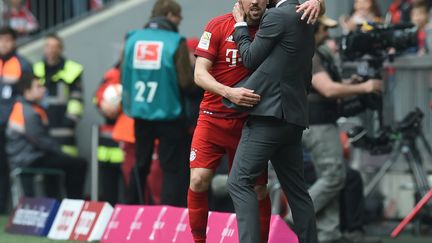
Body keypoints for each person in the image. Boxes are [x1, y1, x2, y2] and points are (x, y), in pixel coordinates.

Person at [226, 0, 319, 242]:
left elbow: (248, 58)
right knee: (298, 193)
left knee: (239, 182)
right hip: (294, 117)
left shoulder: (277, 16)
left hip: (269, 116)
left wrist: (240, 25)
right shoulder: (306, 16)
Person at [302, 16, 382, 243]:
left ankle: (329, 234)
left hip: (320, 123)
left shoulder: (316, 52)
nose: (327, 34)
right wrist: (365, 86)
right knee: (334, 178)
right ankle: (295, 218)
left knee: (332, 177)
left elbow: (322, 87)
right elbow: (327, 89)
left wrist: (352, 84)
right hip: (317, 125)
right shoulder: (309, 53)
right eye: (324, 29)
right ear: (313, 29)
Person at [122, 0, 194, 207]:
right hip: (169, 113)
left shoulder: (132, 39)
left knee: (140, 163)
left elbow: (124, 75)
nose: (179, 22)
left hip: (140, 111)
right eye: (179, 17)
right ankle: (169, 212)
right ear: (170, 14)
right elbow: (186, 82)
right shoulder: (175, 41)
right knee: (172, 167)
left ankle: (131, 208)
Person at [5, 72, 87, 199]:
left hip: (31, 156)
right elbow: (41, 141)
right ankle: (73, 203)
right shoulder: (27, 111)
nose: (43, 89)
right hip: (27, 159)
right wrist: (61, 152)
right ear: (27, 92)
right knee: (78, 164)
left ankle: (56, 203)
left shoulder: (29, 107)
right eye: (38, 86)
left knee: (56, 163)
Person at [33, 34, 84, 159]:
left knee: (67, 163)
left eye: (55, 47)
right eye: (48, 46)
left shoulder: (72, 69)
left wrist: (70, 120)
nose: (51, 50)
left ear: (61, 49)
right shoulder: (36, 69)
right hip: (41, 125)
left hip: (63, 126)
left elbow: (77, 98)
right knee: (45, 169)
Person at [0, 26, 32, 214]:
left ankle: (9, 208)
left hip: (12, 126)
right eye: (1, 39)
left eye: (7, 39)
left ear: (14, 41)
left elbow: (28, 94)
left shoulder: (22, 64)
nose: (4, 43)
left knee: (10, 166)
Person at [94, 59, 126, 206]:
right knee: (108, 184)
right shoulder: (112, 73)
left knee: (129, 184)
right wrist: (104, 105)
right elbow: (98, 97)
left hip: (128, 136)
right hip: (109, 140)